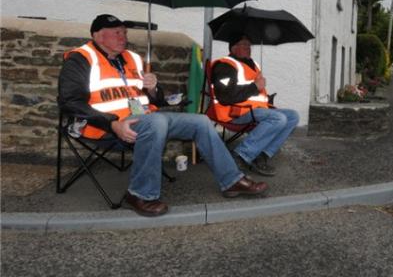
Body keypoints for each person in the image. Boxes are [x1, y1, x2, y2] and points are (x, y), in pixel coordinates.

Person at [58, 14, 267, 217]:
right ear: (98, 36)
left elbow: (156, 100)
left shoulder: (133, 58)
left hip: (146, 119)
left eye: (124, 32)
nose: (124, 38)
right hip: (105, 127)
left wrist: (152, 88)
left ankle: (231, 180)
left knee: (201, 121)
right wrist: (112, 124)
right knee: (156, 121)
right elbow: (69, 102)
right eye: (117, 33)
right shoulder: (81, 58)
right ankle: (140, 194)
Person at [211, 34, 299, 177]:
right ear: (233, 48)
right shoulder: (225, 66)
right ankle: (241, 155)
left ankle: (262, 154)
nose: (248, 48)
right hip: (234, 112)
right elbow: (225, 96)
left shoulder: (252, 64)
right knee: (278, 119)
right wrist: (255, 86)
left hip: (254, 110)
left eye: (249, 45)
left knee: (293, 116)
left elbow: (255, 94)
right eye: (244, 44)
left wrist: (263, 94)